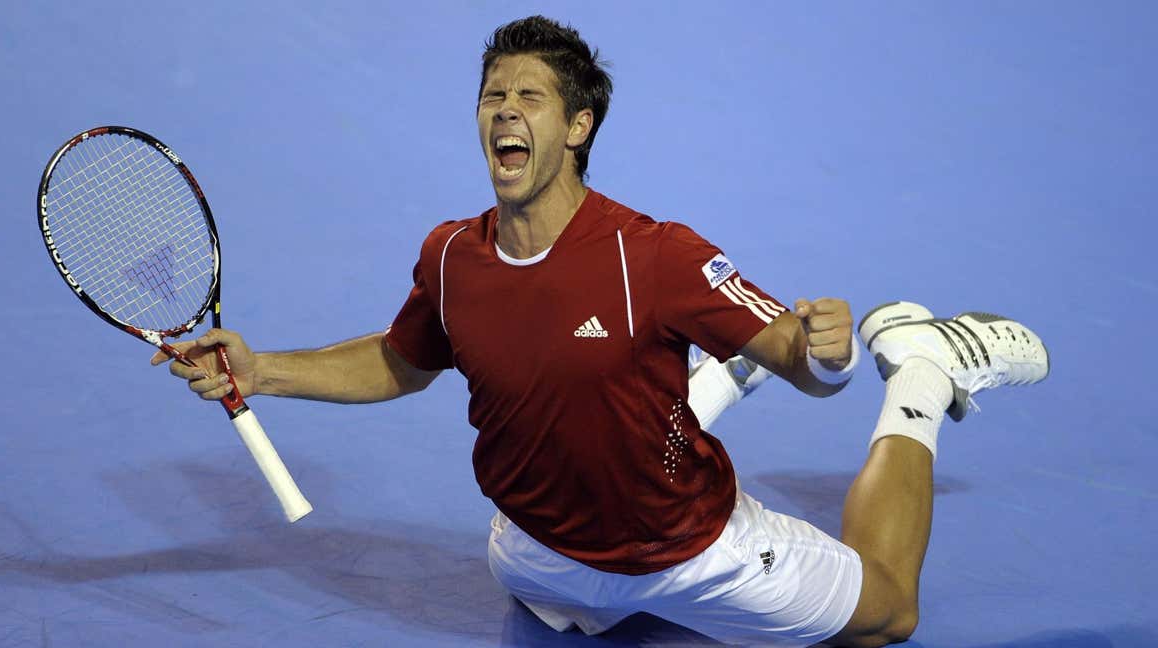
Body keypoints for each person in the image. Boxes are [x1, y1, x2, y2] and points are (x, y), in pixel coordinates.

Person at [152, 16, 1049, 647]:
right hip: (534, 556)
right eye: (492, 95)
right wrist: (261, 368)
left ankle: (924, 371)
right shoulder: (452, 256)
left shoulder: (653, 257)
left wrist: (830, 356)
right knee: (609, 393)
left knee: (888, 615)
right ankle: (719, 374)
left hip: (690, 557)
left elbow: (803, 359)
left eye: (531, 97)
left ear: (578, 127)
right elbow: (401, 360)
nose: (504, 110)